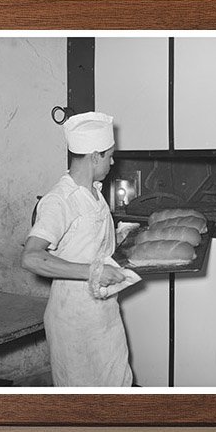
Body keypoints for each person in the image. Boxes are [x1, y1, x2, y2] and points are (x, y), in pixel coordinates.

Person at [21, 111, 134, 387]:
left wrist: (118, 236)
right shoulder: (60, 200)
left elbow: (82, 244)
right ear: (95, 156)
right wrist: (93, 270)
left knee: (118, 390)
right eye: (109, 155)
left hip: (104, 315)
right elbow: (31, 257)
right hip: (74, 322)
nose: (113, 161)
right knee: (83, 405)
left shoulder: (94, 193)